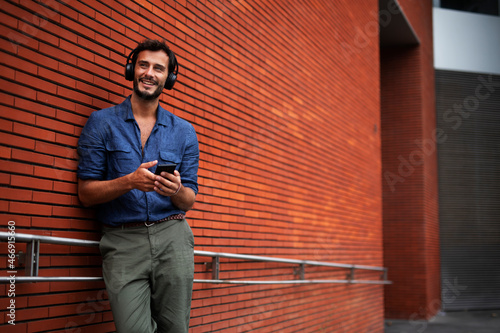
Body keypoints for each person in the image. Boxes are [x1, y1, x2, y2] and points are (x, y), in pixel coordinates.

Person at [77, 39, 199, 333]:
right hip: (122, 242)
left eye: (159, 68)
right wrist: (128, 181)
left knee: (175, 329)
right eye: (143, 65)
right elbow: (86, 194)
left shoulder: (184, 131)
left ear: (168, 78)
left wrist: (176, 190)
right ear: (132, 70)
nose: (149, 73)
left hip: (173, 237)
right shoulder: (101, 122)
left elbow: (189, 198)